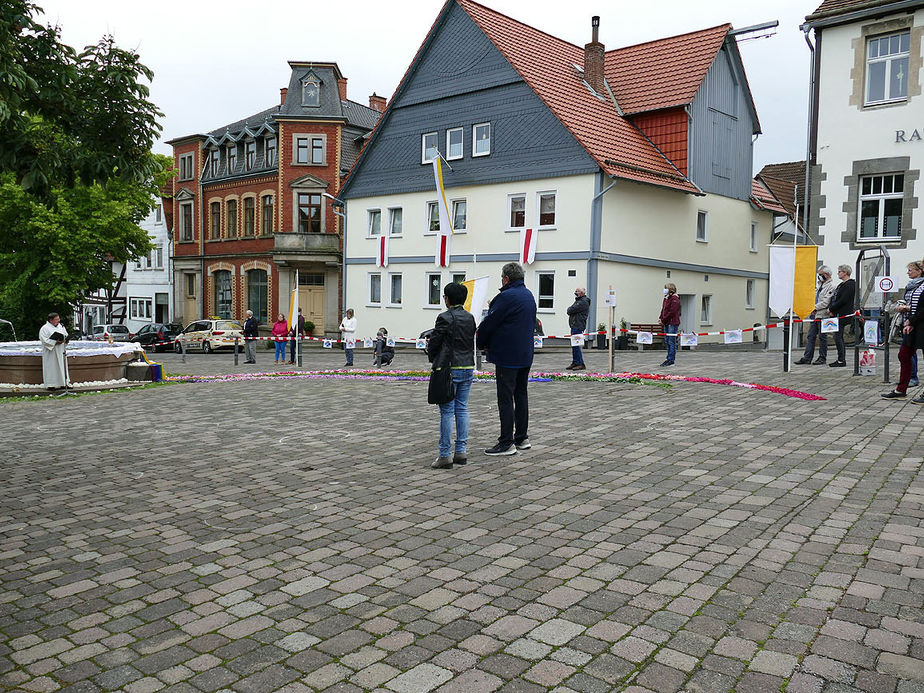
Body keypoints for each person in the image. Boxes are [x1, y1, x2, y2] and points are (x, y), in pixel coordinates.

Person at [476, 262, 537, 456]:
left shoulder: (506, 296)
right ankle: (522, 438)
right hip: (525, 354)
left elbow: (490, 323)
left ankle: (506, 442)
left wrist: (480, 342)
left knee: (505, 399)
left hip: (507, 355)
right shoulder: (528, 295)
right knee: (521, 395)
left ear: (506, 278)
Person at [428, 282, 477, 469]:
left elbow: (434, 343)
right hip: (467, 366)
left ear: (447, 299)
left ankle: (444, 454)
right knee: (462, 409)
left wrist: (433, 357)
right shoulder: (470, 317)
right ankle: (461, 451)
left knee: (447, 411)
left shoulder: (444, 317)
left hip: (449, 368)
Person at [882, 260, 924, 400]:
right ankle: (901, 389)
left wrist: (910, 318)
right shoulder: (913, 286)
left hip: (918, 323)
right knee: (904, 354)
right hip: (913, 324)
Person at [795, 266, 836, 365]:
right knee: (811, 336)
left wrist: (814, 307)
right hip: (814, 315)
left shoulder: (831, 286)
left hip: (823, 315)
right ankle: (807, 357)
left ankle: (822, 358)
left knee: (823, 337)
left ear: (827, 275)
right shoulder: (819, 285)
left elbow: (825, 302)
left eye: (821, 274)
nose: (819, 276)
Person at [827, 265, 856, 368]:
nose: (838, 273)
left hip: (843, 314)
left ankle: (841, 360)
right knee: (837, 336)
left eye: (839, 272)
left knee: (838, 336)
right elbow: (835, 298)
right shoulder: (841, 285)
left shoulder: (850, 285)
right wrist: (831, 309)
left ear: (845, 272)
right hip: (836, 313)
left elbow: (843, 300)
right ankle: (840, 358)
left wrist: (832, 309)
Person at [39, 312, 70, 390]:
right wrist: (55, 342)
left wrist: (66, 340)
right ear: (51, 320)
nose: (58, 321)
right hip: (51, 352)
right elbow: (44, 340)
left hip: (60, 350)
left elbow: (65, 335)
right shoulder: (44, 328)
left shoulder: (61, 327)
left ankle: (63, 383)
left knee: (62, 366)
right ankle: (51, 384)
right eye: (56, 319)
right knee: (51, 367)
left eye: (58, 319)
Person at [565, 287, 590, 370]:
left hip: (578, 325)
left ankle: (580, 363)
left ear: (582, 293)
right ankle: (575, 362)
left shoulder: (583, 301)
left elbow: (570, 310)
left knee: (576, 344)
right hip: (575, 325)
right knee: (574, 345)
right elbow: (571, 309)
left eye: (577, 291)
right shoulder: (578, 301)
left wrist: (570, 309)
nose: (575, 292)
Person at [658, 283, 681, 367]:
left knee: (671, 341)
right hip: (667, 322)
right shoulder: (666, 298)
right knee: (667, 341)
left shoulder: (675, 299)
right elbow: (663, 309)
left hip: (672, 322)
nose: (665, 290)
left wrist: (664, 319)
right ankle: (668, 358)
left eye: (666, 288)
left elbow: (672, 312)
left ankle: (671, 360)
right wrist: (661, 318)